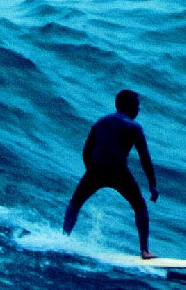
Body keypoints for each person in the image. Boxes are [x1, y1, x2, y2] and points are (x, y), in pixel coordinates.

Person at [63, 88, 158, 258]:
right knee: (140, 207)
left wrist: (91, 172)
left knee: (75, 203)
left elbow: (86, 150)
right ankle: (144, 250)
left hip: (95, 169)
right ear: (129, 106)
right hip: (118, 171)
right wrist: (152, 185)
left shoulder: (101, 122)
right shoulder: (134, 127)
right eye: (136, 105)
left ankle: (64, 237)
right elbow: (145, 157)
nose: (138, 109)